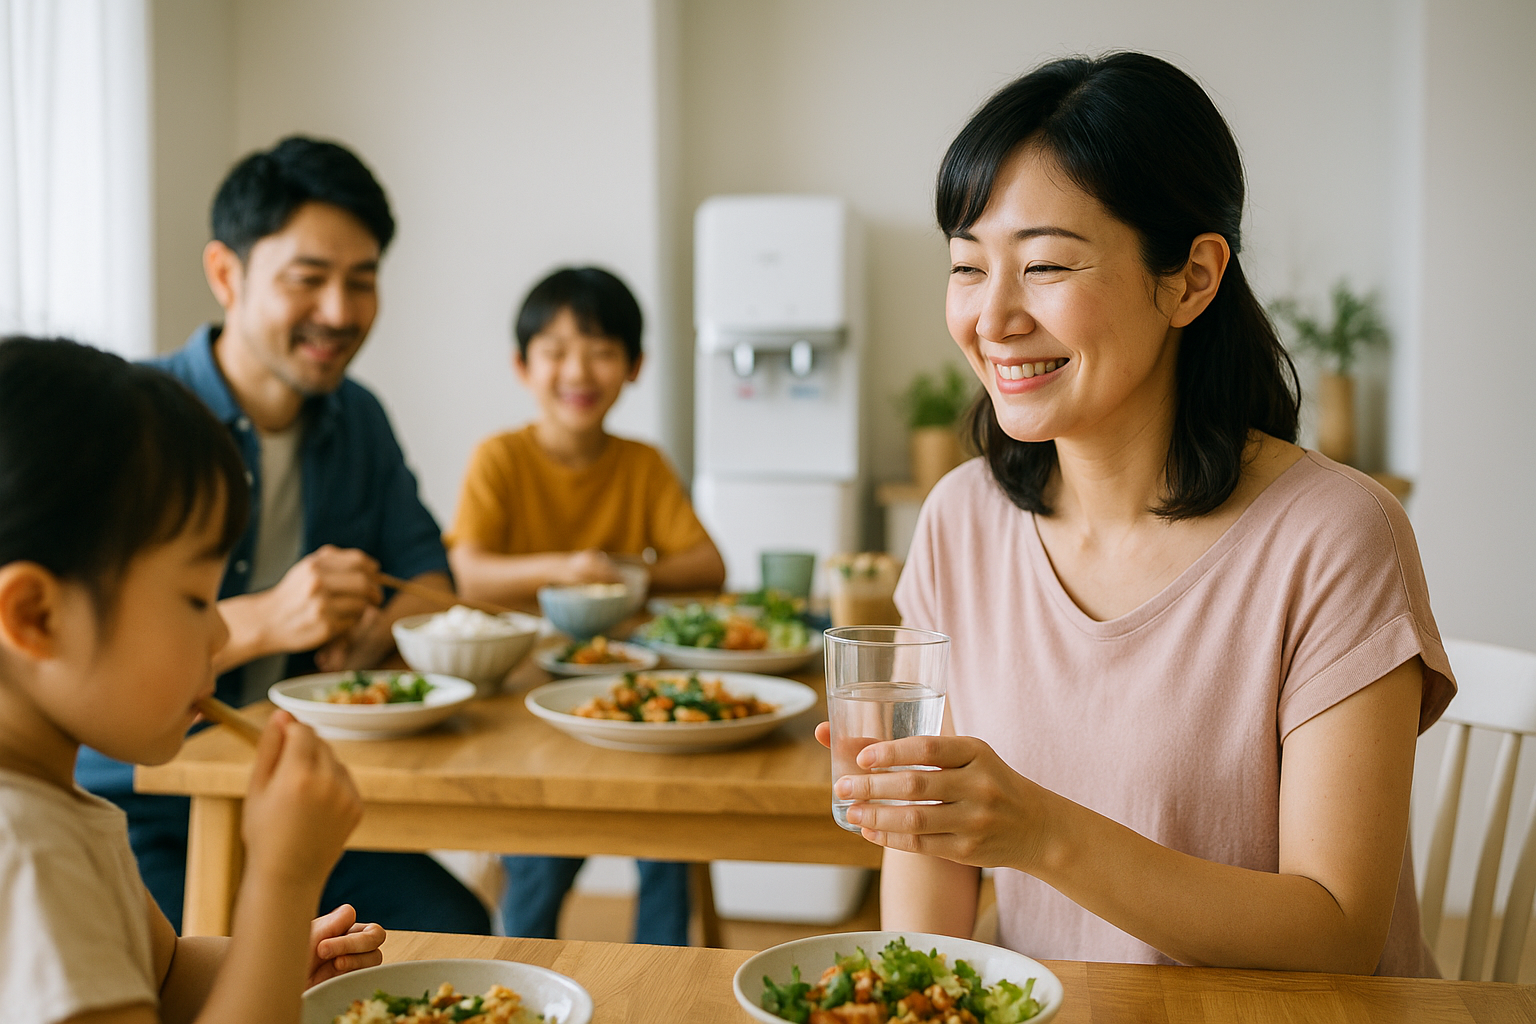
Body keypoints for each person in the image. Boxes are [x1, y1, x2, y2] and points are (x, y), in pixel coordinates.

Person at [820, 53, 1457, 976]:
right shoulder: (962, 519)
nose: (992, 318)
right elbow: (931, 865)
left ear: (1192, 278)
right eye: (967, 266)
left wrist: (1040, 833)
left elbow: (1338, 933)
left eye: (1044, 265)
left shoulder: (1335, 537)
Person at [75, 136, 491, 936]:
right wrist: (269, 618)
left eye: (362, 281)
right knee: (207, 969)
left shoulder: (358, 418)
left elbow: (432, 585)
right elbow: (90, 652)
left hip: (288, 788)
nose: (340, 312)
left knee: (455, 927)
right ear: (226, 274)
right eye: (308, 279)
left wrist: (377, 629)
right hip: (138, 802)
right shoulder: (137, 420)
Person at [0, 337, 385, 1024]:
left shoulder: (53, 804)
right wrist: (282, 881)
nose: (222, 635)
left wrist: (278, 957)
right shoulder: (25, 852)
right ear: (36, 616)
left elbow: (170, 977)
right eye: (195, 600)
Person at [448, 266, 726, 944]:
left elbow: (708, 566)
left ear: (634, 367)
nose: (578, 370)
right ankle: (522, 979)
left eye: (601, 351)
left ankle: (663, 984)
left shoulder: (641, 464)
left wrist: (626, 572)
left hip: (629, 688)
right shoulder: (500, 458)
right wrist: (566, 568)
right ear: (522, 365)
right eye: (556, 351)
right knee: (540, 853)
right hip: (525, 695)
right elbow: (469, 575)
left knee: (666, 828)